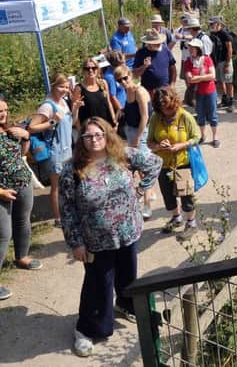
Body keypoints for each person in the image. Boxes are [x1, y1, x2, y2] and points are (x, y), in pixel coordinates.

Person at [59, 116, 161, 357]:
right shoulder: (72, 170)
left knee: (128, 277)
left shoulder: (123, 155)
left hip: (128, 233)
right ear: (81, 140)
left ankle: (126, 305)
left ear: (106, 135)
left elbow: (154, 162)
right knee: (99, 286)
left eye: (98, 135)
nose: (94, 140)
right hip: (96, 240)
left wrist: (140, 188)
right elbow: (67, 210)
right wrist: (76, 243)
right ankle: (86, 329)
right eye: (88, 136)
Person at [0, 94, 43, 301]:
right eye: (0, 110)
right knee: (3, 234)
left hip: (22, 182)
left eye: (5, 110)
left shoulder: (10, 130)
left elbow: (23, 155)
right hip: (2, 190)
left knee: (23, 222)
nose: (3, 113)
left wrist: (25, 136)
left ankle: (22, 257)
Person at [147, 87, 201, 238]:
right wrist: (158, 146)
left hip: (182, 162)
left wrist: (181, 145)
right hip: (163, 164)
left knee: (186, 195)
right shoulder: (155, 118)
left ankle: (191, 223)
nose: (166, 109)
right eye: (162, 106)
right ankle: (176, 218)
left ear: (174, 101)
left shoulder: (185, 116)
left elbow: (196, 137)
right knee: (168, 196)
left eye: (168, 105)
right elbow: (149, 142)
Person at [27, 74, 74, 227]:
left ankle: (68, 212)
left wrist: (76, 109)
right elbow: (32, 127)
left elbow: (69, 122)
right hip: (55, 151)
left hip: (67, 149)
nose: (64, 90)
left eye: (67, 87)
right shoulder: (47, 106)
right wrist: (52, 121)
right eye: (61, 87)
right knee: (57, 186)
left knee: (67, 183)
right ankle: (58, 218)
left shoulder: (64, 102)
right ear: (53, 86)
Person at [113, 65, 154, 219]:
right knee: (138, 168)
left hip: (140, 133)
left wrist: (137, 137)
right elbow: (132, 109)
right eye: (119, 80)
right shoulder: (127, 91)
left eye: (125, 78)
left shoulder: (139, 91)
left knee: (144, 168)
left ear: (130, 75)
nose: (123, 82)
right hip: (130, 130)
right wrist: (122, 110)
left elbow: (145, 117)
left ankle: (147, 205)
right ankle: (149, 193)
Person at [184, 38, 220, 147]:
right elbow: (189, 79)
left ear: (198, 49)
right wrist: (205, 77)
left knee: (213, 115)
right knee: (200, 115)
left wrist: (198, 78)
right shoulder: (188, 62)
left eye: (192, 47)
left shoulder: (207, 59)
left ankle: (215, 138)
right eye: (189, 47)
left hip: (210, 91)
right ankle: (203, 135)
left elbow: (213, 76)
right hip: (197, 93)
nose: (190, 49)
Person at [72, 57, 116, 131]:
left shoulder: (103, 83)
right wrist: (79, 130)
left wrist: (114, 122)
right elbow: (75, 111)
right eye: (87, 68)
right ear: (83, 71)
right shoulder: (78, 88)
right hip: (90, 129)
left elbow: (109, 103)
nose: (90, 70)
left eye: (94, 68)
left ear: (98, 69)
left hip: (106, 126)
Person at [132, 28, 177, 95]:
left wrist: (172, 84)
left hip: (165, 90)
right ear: (149, 43)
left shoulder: (165, 50)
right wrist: (144, 66)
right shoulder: (141, 53)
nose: (159, 44)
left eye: (159, 42)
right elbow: (135, 74)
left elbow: (173, 68)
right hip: (148, 91)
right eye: (156, 43)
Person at [208, 16, 235, 112]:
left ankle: (231, 102)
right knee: (220, 81)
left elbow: (230, 48)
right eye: (210, 24)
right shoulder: (213, 33)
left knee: (228, 81)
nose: (210, 25)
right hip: (218, 61)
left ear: (218, 24)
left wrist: (227, 63)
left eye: (212, 23)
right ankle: (225, 99)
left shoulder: (224, 33)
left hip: (225, 61)